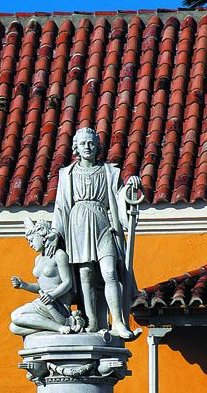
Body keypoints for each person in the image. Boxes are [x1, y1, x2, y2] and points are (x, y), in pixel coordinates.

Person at [45, 126, 141, 339]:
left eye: (91, 143)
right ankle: (92, 321)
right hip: (77, 225)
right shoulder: (67, 174)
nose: (87, 147)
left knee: (109, 272)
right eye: (82, 144)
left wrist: (130, 188)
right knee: (85, 274)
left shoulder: (109, 172)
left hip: (103, 223)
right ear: (75, 148)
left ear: (97, 146)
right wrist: (55, 233)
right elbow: (61, 206)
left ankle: (117, 322)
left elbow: (119, 198)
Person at [10, 217, 84, 336]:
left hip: (58, 304)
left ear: (41, 235)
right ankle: (55, 326)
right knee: (14, 328)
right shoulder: (38, 259)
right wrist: (23, 285)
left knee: (15, 316)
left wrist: (51, 296)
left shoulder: (59, 255)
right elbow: (40, 286)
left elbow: (67, 282)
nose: (30, 244)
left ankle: (59, 326)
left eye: (31, 240)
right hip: (43, 301)